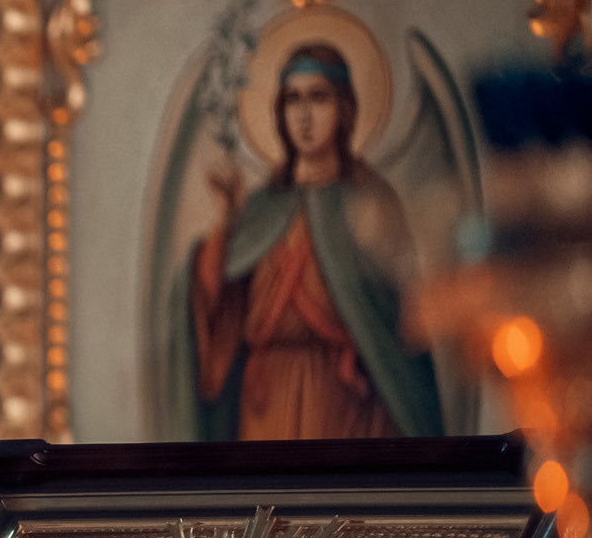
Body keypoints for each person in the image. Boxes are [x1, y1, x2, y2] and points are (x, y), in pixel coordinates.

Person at [180, 42, 442, 441]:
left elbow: (399, 313)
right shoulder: (261, 207)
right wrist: (230, 221)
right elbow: (222, 301)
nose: (303, 116)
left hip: (345, 396)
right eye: (292, 100)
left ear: (344, 108)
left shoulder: (368, 200)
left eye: (318, 98)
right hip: (266, 397)